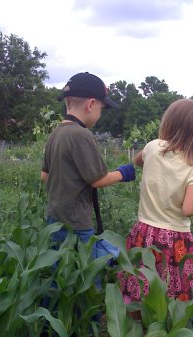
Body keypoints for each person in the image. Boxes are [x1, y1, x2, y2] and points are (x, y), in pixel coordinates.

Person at [118, 98, 193, 306]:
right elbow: (188, 209)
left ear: (169, 123)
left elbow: (137, 161)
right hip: (175, 239)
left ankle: (136, 321)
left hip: (144, 231)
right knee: (175, 286)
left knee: (140, 280)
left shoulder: (153, 147)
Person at [41, 71, 136, 245]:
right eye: (102, 108)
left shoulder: (56, 133)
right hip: (76, 224)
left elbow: (45, 175)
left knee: (62, 268)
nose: (100, 114)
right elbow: (98, 180)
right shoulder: (81, 134)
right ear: (91, 104)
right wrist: (125, 172)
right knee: (86, 269)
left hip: (54, 219)